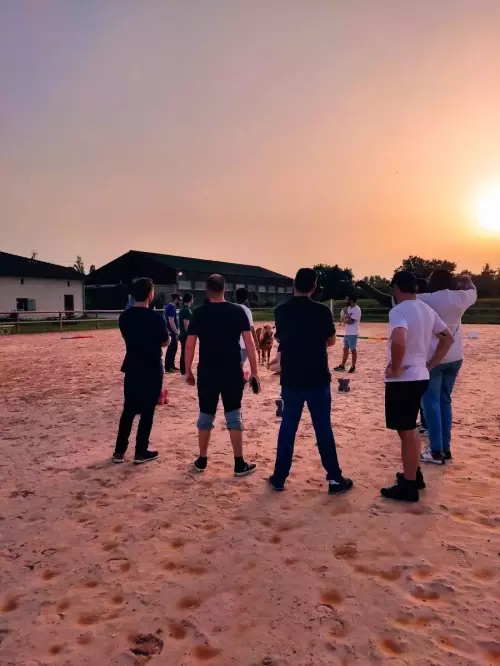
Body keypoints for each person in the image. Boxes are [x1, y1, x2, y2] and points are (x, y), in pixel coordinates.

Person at [268, 268, 353, 495]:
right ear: (314, 287)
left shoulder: (281, 310)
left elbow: (280, 338)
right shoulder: (322, 311)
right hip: (317, 377)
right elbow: (332, 340)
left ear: (294, 284)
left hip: (291, 379)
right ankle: (334, 479)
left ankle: (279, 477)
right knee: (323, 429)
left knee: (287, 428)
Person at [381, 271, 453, 502]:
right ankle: (414, 475)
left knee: (406, 431)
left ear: (396, 288)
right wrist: (431, 363)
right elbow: (447, 338)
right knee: (409, 428)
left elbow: (399, 339)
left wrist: (395, 368)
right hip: (421, 375)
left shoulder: (399, 311)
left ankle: (409, 485)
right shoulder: (426, 310)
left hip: (404, 379)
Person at [184, 274, 259, 477]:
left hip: (208, 370)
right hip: (232, 369)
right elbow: (250, 344)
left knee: (206, 413)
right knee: (233, 414)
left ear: (207, 290)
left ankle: (202, 459)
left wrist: (188, 369)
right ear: (224, 289)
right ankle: (238, 463)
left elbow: (190, 344)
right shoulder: (237, 311)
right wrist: (255, 372)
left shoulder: (199, 313)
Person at [417, 270, 477, 464]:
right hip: (455, 356)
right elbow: (472, 290)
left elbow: (396, 298)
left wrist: (367, 288)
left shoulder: (426, 299)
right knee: (445, 401)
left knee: (431, 404)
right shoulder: (460, 297)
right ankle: (445, 448)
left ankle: (435, 451)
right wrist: (466, 280)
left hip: (434, 357)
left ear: (433, 282)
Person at [113, 278, 169, 464]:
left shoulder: (125, 317)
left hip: (132, 365)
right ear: (150, 294)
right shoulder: (156, 317)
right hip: (152, 366)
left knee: (128, 409)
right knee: (148, 411)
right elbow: (165, 341)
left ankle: (119, 451)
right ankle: (140, 451)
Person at [334, 294, 362, 373]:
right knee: (345, 349)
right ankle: (342, 365)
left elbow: (350, 322)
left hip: (353, 333)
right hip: (347, 332)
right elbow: (345, 320)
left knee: (353, 350)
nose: (345, 301)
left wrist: (346, 314)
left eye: (346, 299)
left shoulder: (357, 309)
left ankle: (353, 367)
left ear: (351, 300)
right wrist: (344, 318)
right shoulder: (349, 308)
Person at [235, 287, 260, 366]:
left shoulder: (230, 308)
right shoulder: (246, 310)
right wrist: (256, 343)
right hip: (243, 345)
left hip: (230, 344)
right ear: (246, 299)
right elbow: (251, 328)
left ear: (235, 297)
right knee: (239, 367)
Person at [164, 293, 181, 372]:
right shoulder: (170, 308)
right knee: (171, 349)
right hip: (172, 332)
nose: (180, 302)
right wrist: (176, 332)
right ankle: (168, 366)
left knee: (174, 348)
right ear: (176, 299)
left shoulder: (172, 307)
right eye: (179, 300)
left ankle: (172, 365)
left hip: (173, 331)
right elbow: (171, 322)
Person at [178, 292, 194, 375]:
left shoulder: (182, 308)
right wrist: (190, 334)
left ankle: (183, 369)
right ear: (190, 300)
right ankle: (184, 370)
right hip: (185, 335)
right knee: (185, 353)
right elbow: (186, 324)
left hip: (182, 334)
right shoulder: (187, 310)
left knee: (183, 352)